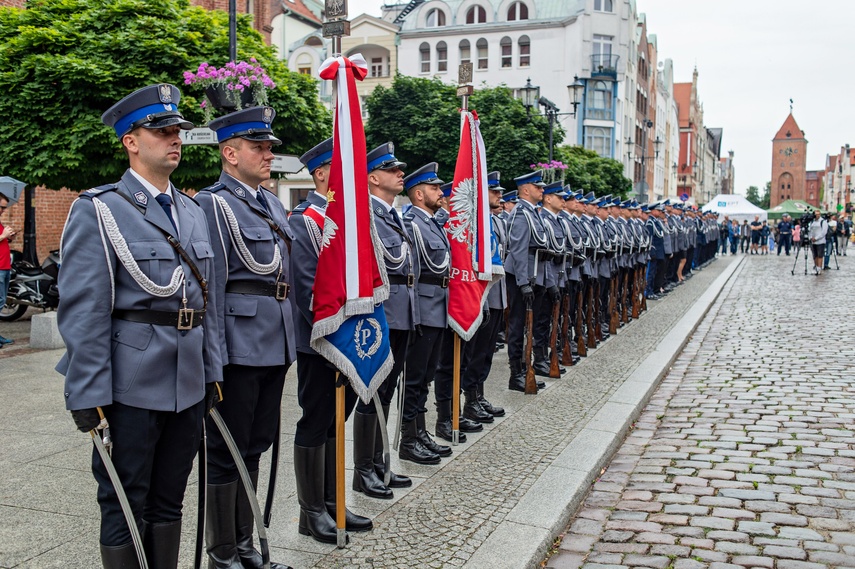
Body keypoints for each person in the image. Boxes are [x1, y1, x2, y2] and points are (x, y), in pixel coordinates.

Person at [56, 84, 222, 568]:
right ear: (131, 140)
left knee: (170, 497)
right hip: (130, 383)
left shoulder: (191, 210)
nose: (175, 139)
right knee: (124, 499)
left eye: (178, 131)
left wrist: (213, 372)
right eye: (162, 131)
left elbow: (203, 302)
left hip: (188, 380)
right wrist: (86, 393)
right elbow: (84, 310)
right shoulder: (101, 208)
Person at [196, 107, 297, 567]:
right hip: (238, 343)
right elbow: (210, 285)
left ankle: (244, 543)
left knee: (256, 444)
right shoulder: (213, 203)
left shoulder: (273, 204)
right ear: (229, 153)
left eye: (269, 147)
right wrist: (212, 359)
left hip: (273, 339)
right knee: (227, 449)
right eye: (258, 147)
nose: (267, 154)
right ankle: (221, 554)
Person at [289, 138, 373, 544]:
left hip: (351, 339)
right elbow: (306, 288)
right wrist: (334, 338)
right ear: (321, 173)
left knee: (336, 421)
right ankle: (311, 512)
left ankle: (333, 500)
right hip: (321, 342)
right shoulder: (305, 220)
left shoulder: (352, 219)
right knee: (317, 419)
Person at [504, 171, 549, 392]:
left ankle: (526, 367)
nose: (542, 190)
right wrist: (523, 282)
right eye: (538, 187)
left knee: (529, 326)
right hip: (523, 277)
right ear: (525, 190)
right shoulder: (521, 213)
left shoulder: (533, 213)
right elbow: (518, 250)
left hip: (534, 276)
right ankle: (516, 374)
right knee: (518, 325)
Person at [0, 193, 15, 346]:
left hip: (5, 266)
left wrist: (8, 236)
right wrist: (3, 235)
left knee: (2, 301)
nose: (3, 210)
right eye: (2, 207)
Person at [808, 209, 827, 275]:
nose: (817, 216)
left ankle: (819, 267)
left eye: (818, 214)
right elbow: (810, 230)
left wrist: (816, 238)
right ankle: (816, 266)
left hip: (820, 241)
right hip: (813, 241)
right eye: (816, 214)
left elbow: (823, 232)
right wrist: (810, 237)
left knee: (820, 255)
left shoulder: (823, 221)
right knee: (815, 255)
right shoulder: (812, 222)